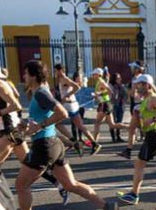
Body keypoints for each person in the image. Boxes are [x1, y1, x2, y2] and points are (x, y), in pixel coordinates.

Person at [14, 60, 117, 210]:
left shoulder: (41, 93)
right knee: (70, 184)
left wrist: (40, 126)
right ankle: (106, 206)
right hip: (53, 144)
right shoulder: (40, 91)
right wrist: (25, 123)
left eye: (25, 73)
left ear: (33, 76)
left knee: (21, 185)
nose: (23, 77)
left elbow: (62, 112)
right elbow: (41, 116)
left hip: (44, 146)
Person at [116, 74, 156, 205]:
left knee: (139, 163)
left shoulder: (153, 98)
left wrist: (155, 119)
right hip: (154, 134)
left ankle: (134, 194)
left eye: (139, 84)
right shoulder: (146, 99)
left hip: (154, 135)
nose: (137, 87)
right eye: (137, 84)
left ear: (147, 85)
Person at [54, 64, 91, 157]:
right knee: (78, 125)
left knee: (56, 123)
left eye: (56, 71)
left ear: (60, 70)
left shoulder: (65, 78)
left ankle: (74, 141)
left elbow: (76, 87)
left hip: (69, 105)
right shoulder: (62, 80)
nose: (55, 73)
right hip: (69, 104)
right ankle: (77, 142)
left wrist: (67, 95)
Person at [90, 68, 126, 154]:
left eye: (94, 74)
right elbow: (104, 92)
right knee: (112, 125)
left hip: (104, 104)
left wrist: (98, 94)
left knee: (97, 123)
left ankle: (95, 144)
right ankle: (129, 127)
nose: (92, 75)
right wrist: (97, 96)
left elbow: (110, 91)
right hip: (104, 103)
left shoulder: (101, 81)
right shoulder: (99, 82)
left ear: (98, 74)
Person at [111, 73, 127, 143]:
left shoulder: (122, 86)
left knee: (119, 121)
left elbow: (125, 95)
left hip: (121, 105)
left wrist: (123, 102)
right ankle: (113, 137)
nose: (119, 79)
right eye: (117, 78)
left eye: (120, 78)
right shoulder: (111, 86)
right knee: (113, 121)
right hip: (113, 105)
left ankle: (118, 136)